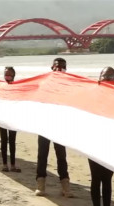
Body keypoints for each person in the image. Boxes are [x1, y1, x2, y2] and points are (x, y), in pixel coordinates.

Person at [35, 57, 73, 198]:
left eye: (62, 67)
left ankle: (65, 185)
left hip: (60, 125)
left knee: (61, 156)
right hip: (44, 124)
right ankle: (40, 184)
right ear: (52, 67)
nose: (59, 69)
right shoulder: (45, 83)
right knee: (42, 155)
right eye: (57, 66)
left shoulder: (68, 85)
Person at [89, 66, 114, 206]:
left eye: (111, 76)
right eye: (105, 76)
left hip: (111, 144)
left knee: (107, 180)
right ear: (99, 78)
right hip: (94, 143)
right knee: (96, 179)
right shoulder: (93, 95)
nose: (108, 78)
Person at [0, 67, 21, 172]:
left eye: (9, 74)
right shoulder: (1, 87)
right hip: (2, 118)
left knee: (12, 142)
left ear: (13, 75)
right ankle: (4, 164)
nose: (7, 76)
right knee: (4, 141)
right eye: (5, 74)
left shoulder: (17, 87)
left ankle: (12, 164)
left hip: (13, 118)